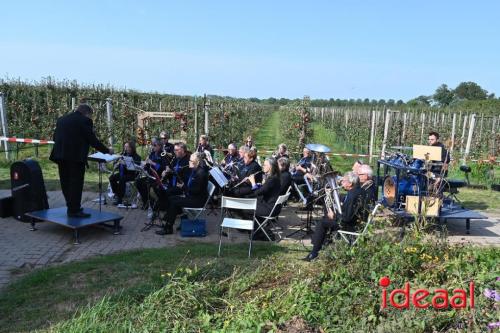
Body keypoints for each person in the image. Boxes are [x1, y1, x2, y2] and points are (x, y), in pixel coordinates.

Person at [49, 103, 112, 218]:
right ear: (87, 113)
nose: (90, 118)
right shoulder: (84, 121)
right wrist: (107, 150)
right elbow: (92, 140)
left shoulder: (62, 119)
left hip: (60, 156)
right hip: (75, 158)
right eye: (90, 116)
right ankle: (75, 210)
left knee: (65, 182)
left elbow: (55, 137)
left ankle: (71, 207)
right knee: (76, 184)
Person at [303, 172, 365, 261]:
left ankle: (314, 252)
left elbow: (347, 218)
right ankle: (322, 245)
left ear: (350, 183)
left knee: (321, 223)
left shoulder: (352, 195)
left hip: (349, 226)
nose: (341, 183)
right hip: (355, 223)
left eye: (343, 181)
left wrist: (334, 215)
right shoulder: (359, 191)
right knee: (325, 218)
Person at [156, 152, 209, 235]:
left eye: (191, 161)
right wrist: (184, 186)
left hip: (197, 201)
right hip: (193, 197)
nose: (189, 162)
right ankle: (170, 222)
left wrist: (183, 187)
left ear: (197, 162)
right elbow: (192, 188)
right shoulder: (196, 170)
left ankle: (168, 227)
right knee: (172, 198)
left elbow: (196, 191)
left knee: (174, 202)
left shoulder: (200, 173)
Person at [247, 157, 282, 241]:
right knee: (250, 201)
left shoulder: (272, 179)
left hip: (270, 209)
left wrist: (253, 182)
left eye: (265, 165)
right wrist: (261, 184)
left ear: (270, 167)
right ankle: (257, 230)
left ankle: (256, 232)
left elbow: (257, 193)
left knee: (247, 208)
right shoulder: (275, 177)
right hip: (274, 207)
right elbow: (265, 190)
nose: (263, 166)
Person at [135, 138, 168, 208]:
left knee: (151, 185)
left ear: (159, 146)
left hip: (159, 178)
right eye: (152, 145)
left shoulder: (163, 154)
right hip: (150, 176)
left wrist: (152, 163)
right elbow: (147, 166)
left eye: (154, 145)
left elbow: (163, 168)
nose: (153, 146)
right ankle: (147, 201)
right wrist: (143, 166)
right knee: (138, 182)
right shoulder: (152, 154)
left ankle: (156, 203)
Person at [109, 141, 141, 205]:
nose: (125, 148)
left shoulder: (137, 157)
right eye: (125, 147)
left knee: (122, 178)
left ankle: (120, 199)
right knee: (111, 177)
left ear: (131, 148)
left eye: (127, 147)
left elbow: (135, 168)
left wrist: (125, 164)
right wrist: (116, 164)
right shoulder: (123, 155)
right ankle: (117, 194)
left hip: (132, 174)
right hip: (123, 173)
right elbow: (117, 164)